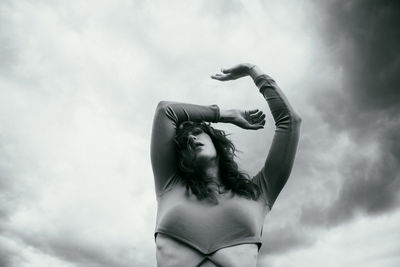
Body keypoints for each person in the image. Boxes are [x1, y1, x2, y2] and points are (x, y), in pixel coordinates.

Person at [150, 63, 301, 267]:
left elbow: (290, 122)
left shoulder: (258, 193)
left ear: (216, 142)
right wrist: (225, 115)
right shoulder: (170, 185)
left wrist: (252, 70)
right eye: (185, 144)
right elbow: (165, 111)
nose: (192, 141)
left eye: (196, 134)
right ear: (180, 159)